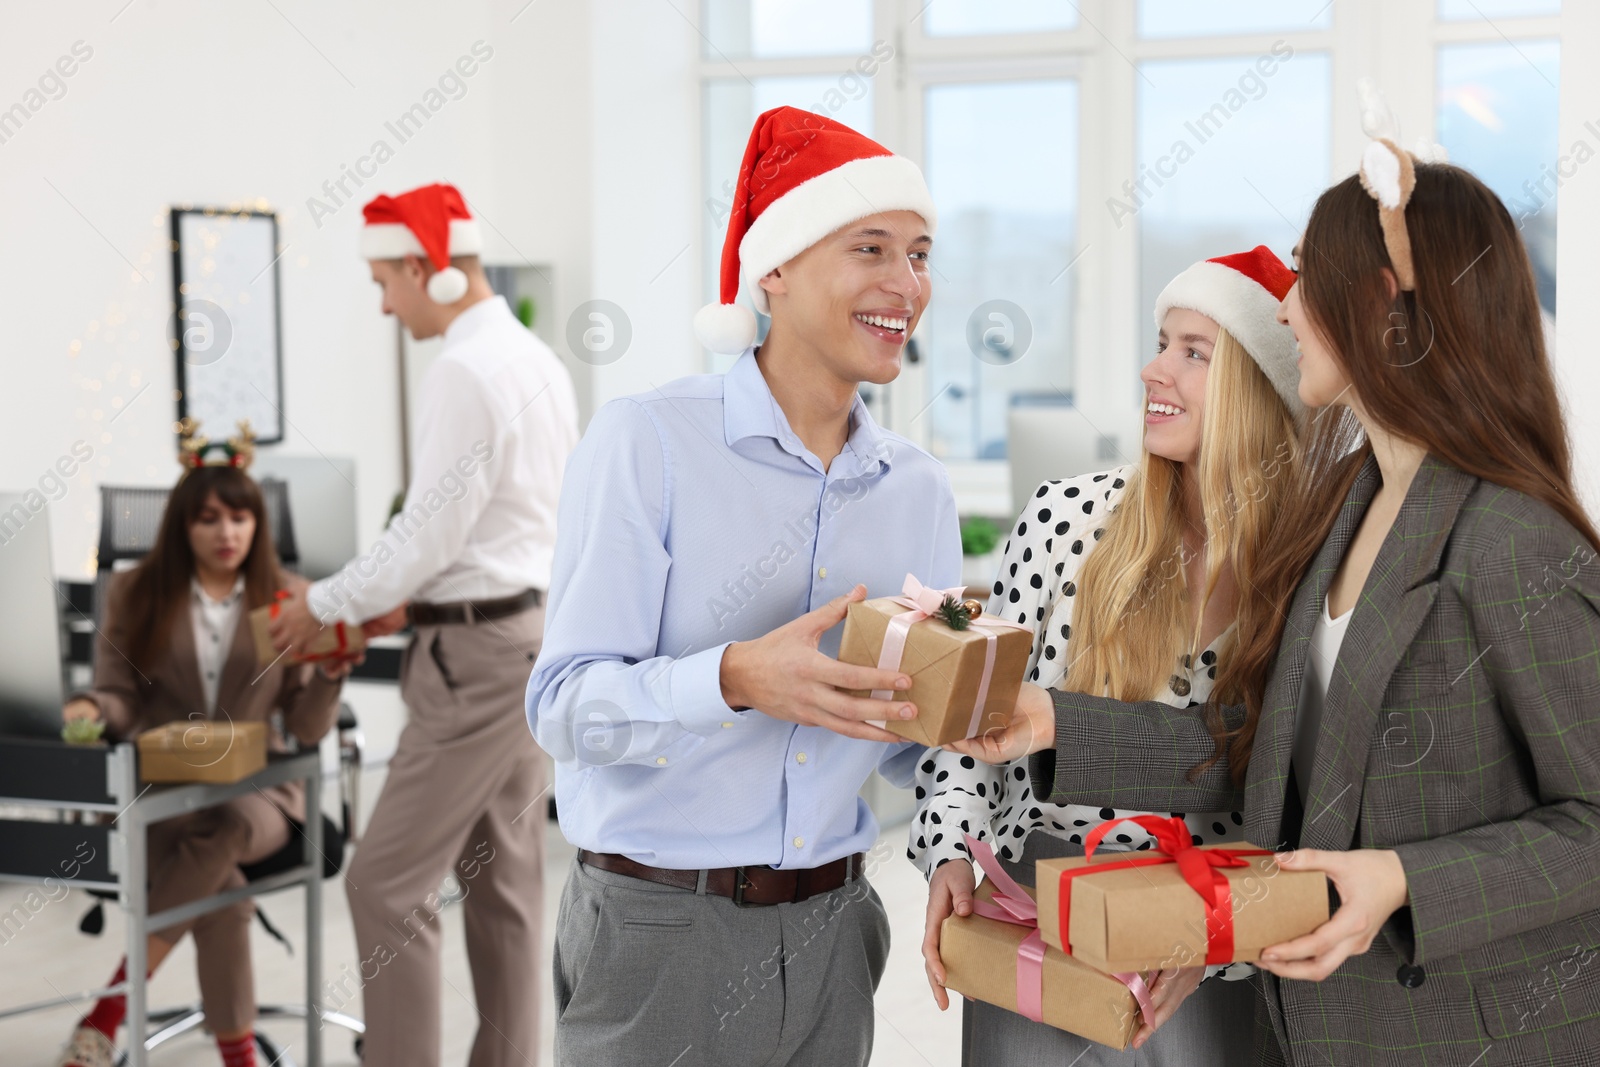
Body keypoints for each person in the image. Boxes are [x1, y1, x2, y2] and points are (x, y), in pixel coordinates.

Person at [957, 113, 1600, 1064]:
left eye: (1308, 278)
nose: (1288, 308)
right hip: (1321, 1031)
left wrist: (1403, 877)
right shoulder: (1350, 505)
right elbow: (1267, 755)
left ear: (1384, 301)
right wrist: (1053, 720)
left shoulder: (1511, 541)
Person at [526, 106, 959, 1066]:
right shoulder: (648, 443)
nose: (907, 283)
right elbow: (562, 711)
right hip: (659, 930)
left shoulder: (918, 490)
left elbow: (911, 748)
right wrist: (733, 678)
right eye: (872, 248)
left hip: (836, 933)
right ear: (774, 270)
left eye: (921, 253)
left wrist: (974, 773)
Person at [913, 247, 1304, 1063]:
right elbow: (972, 720)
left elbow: (1289, 772)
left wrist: (1219, 932)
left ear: (1260, 390)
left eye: (1194, 352)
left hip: (1209, 941)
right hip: (1038, 907)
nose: (1152, 370)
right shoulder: (1068, 520)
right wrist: (950, 847)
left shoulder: (1308, 568)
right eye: (1163, 341)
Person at [268, 182, 579, 1067]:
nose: (382, 302)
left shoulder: (462, 369)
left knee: (382, 881)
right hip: (526, 642)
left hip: (472, 660)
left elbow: (426, 536)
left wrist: (321, 602)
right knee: (505, 886)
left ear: (421, 264)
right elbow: (501, 529)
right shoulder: (536, 361)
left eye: (382, 280)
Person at [57, 424, 355, 1067]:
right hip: (164, 790)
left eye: (241, 517)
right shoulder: (136, 592)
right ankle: (239, 1055)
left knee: (222, 827)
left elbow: (304, 730)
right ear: (181, 526)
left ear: (258, 524)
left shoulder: (289, 597)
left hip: (260, 793)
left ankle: (108, 1011)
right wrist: (90, 707)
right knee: (223, 896)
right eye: (209, 519)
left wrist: (332, 674)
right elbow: (120, 697)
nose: (227, 533)